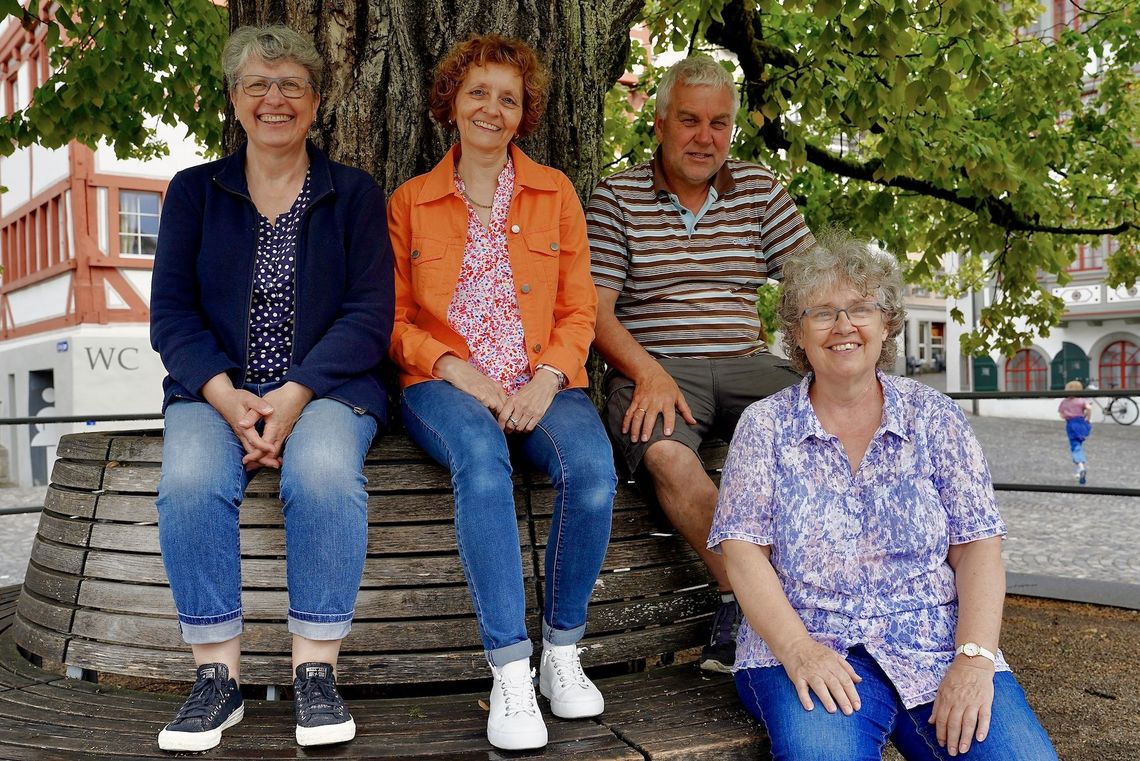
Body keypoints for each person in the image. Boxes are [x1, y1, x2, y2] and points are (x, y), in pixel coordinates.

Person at [708, 231, 1058, 760]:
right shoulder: (765, 425)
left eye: (860, 309)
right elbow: (743, 552)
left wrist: (974, 659)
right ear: (796, 333)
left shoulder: (934, 416)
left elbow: (977, 547)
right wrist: (799, 650)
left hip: (935, 644)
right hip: (807, 645)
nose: (843, 326)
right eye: (821, 312)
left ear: (886, 322)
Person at [149, 24, 393, 752]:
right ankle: (216, 680)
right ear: (235, 98)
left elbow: (370, 314)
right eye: (258, 84)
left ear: (316, 101)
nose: (275, 99)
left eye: (291, 84)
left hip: (328, 389)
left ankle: (315, 673)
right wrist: (226, 396)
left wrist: (293, 394)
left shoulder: (352, 194)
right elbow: (171, 315)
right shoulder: (194, 191)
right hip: (212, 390)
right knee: (189, 477)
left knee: (321, 472)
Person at [387, 34, 616, 751]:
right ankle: (510, 670)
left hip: (542, 380)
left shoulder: (556, 194)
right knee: (483, 466)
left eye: (508, 98)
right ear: (450, 103)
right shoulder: (411, 203)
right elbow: (392, 321)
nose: (492, 108)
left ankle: (561, 653)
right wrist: (464, 374)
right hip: (443, 383)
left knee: (595, 472)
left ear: (525, 114)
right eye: (477, 92)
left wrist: (547, 378)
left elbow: (580, 310)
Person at [587, 54, 815, 672]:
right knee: (664, 454)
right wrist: (649, 373)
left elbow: (813, 284)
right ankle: (752, 606)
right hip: (655, 365)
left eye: (719, 123)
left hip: (747, 363)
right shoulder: (617, 198)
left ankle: (850, 595)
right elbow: (596, 312)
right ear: (659, 123)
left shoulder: (760, 191)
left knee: (828, 429)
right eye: (689, 120)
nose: (704, 137)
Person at [1058, 379, 1092, 485]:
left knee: (1075, 447)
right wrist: (1088, 419)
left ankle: (1081, 467)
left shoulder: (1064, 402)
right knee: (1078, 445)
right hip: (1082, 423)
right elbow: (1089, 408)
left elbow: (1062, 415)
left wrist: (1067, 415)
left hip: (1072, 424)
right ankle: (1078, 471)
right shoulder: (1082, 400)